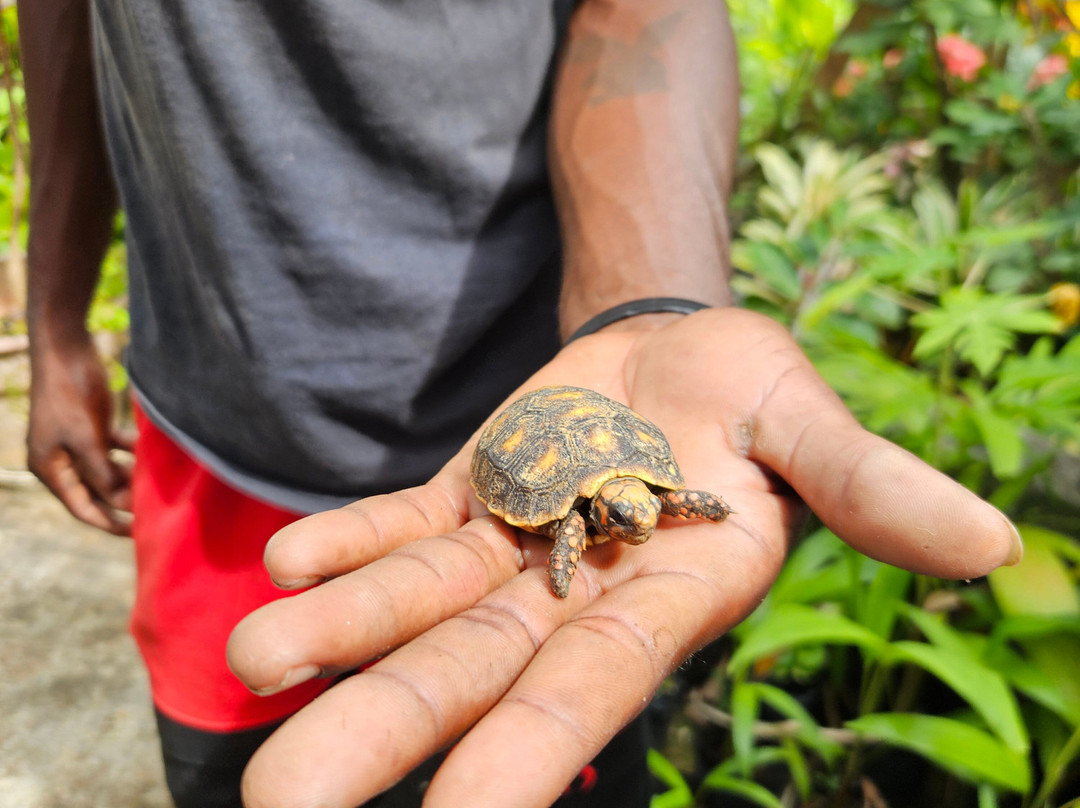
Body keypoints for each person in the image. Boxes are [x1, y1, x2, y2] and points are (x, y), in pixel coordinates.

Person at [21, 1, 1022, 807]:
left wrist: (651, 308)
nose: (633, 521)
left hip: (528, 367)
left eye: (639, 510)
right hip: (214, 434)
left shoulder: (623, 508)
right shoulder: (582, 522)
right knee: (240, 771)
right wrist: (55, 313)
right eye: (633, 512)